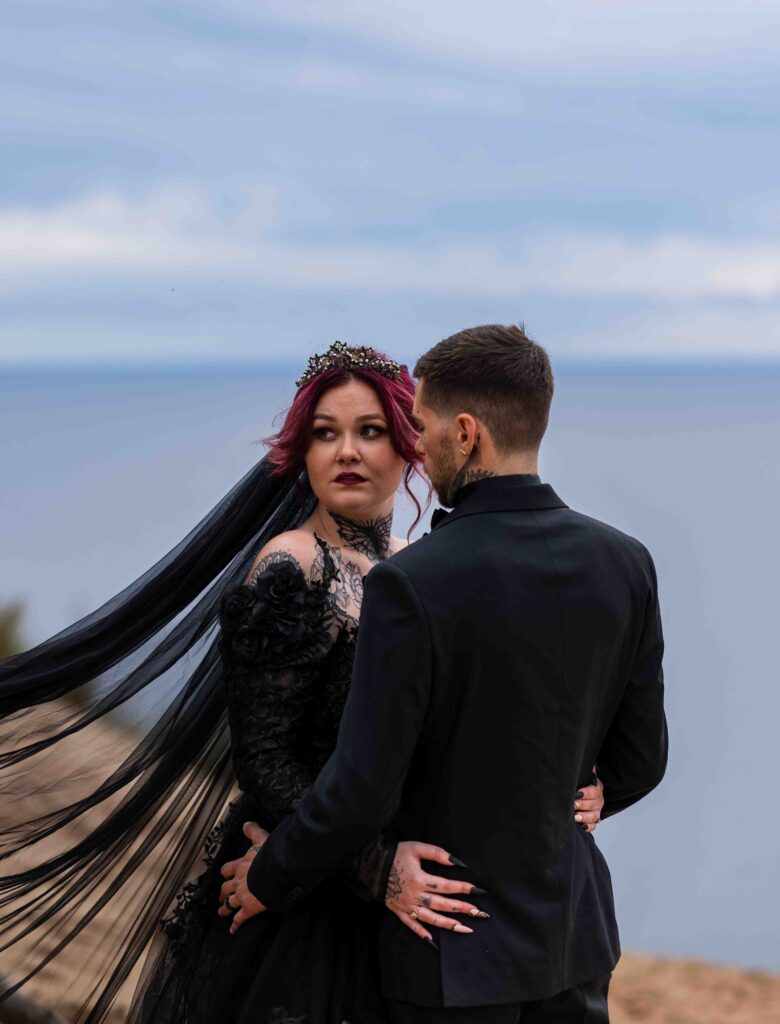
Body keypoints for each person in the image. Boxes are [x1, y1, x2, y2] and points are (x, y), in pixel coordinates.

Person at [0, 341, 602, 1024]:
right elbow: (264, 765)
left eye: (369, 431)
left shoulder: (426, 567)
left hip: (408, 906)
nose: (346, 451)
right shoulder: (290, 570)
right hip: (301, 901)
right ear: (302, 455)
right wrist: (375, 871)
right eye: (325, 434)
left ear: (412, 445)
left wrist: (587, 776)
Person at [221, 326, 668, 1024]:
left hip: (449, 954)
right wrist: (589, 796)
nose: (416, 448)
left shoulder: (414, 579)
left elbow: (361, 789)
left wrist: (272, 877)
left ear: (465, 434)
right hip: (573, 941)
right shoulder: (626, 560)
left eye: (414, 428)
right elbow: (642, 760)